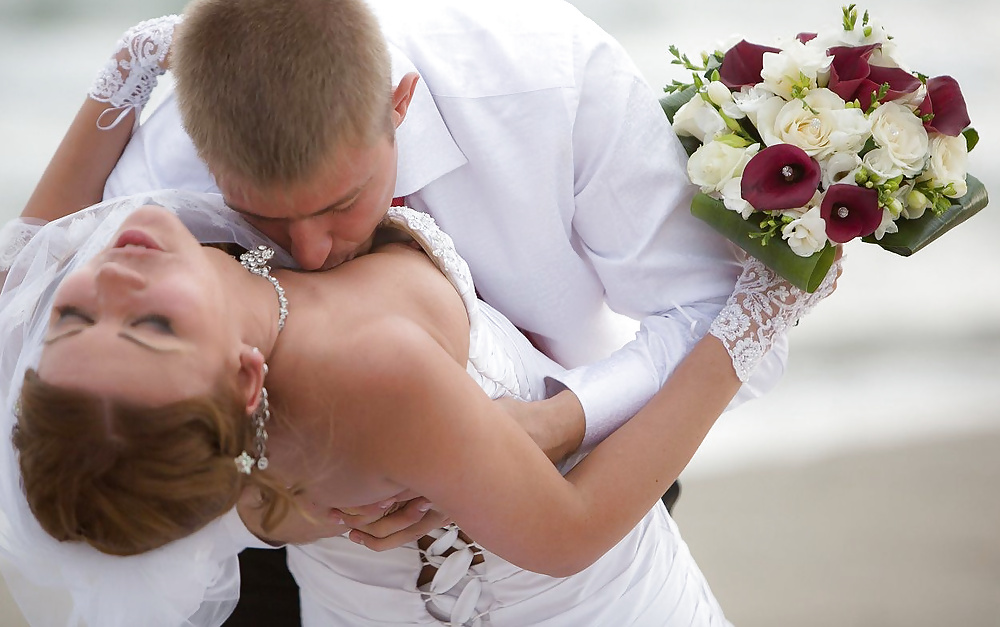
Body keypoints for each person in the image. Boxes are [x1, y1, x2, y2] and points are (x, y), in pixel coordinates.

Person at [0, 191, 837, 627]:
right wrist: (756, 318)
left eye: (69, 319)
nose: (111, 280)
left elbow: (17, 264)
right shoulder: (373, 372)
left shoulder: (173, 436)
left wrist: (128, 73)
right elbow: (573, 528)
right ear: (248, 379)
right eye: (152, 326)